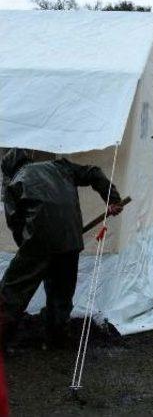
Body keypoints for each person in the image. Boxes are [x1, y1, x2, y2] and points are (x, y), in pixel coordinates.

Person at [0, 148, 123, 349]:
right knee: (61, 292)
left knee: (12, 292)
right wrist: (113, 199)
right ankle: (56, 339)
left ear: (9, 170)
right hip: (70, 242)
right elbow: (93, 172)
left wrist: (27, 250)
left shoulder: (15, 183)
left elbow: (15, 223)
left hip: (38, 243)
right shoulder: (60, 167)